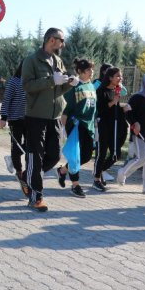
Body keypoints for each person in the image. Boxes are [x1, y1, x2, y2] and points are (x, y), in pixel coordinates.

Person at [21, 28, 76, 212]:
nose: (63, 44)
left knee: (54, 155)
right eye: (62, 40)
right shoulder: (32, 60)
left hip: (54, 116)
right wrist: (51, 80)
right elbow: (27, 86)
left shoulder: (57, 60)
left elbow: (57, 90)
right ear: (52, 40)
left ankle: (28, 178)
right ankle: (36, 197)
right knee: (35, 157)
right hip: (36, 116)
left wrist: (69, 84)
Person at [56, 58, 97, 197]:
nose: (91, 72)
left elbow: (93, 106)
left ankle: (63, 170)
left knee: (86, 155)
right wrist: (64, 122)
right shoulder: (75, 86)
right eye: (88, 70)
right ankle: (75, 185)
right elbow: (66, 106)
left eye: (92, 69)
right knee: (75, 155)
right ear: (80, 71)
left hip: (89, 125)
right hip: (76, 124)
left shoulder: (91, 86)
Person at [116, 73, 145, 195]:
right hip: (140, 133)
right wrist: (134, 122)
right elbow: (127, 111)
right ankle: (123, 172)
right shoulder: (137, 97)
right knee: (142, 158)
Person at [0, 61, 28, 194]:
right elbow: (6, 100)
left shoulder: (32, 81)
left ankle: (18, 161)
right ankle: (19, 172)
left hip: (30, 119)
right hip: (15, 119)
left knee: (30, 144)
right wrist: (4, 117)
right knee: (16, 146)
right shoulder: (14, 81)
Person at [94, 67, 129, 185]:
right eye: (118, 76)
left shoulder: (116, 90)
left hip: (114, 127)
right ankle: (97, 179)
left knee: (115, 154)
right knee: (102, 153)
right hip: (103, 125)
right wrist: (113, 102)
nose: (120, 78)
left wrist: (122, 109)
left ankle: (99, 171)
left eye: (121, 76)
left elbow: (114, 110)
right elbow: (100, 109)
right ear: (110, 77)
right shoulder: (101, 91)